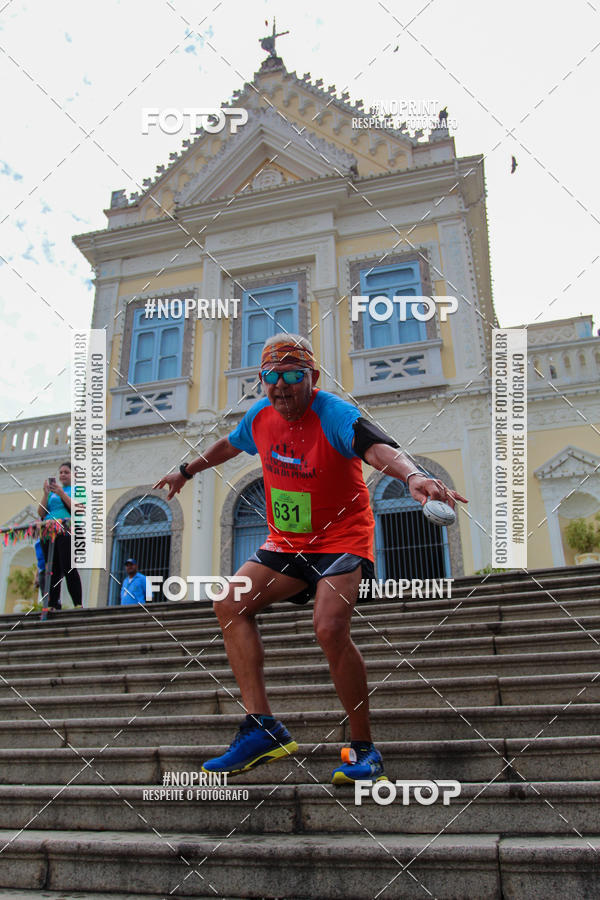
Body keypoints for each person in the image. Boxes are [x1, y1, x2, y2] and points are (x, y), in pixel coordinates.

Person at [155, 334, 467, 784]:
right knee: (229, 601)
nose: (282, 387)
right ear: (262, 380)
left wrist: (413, 474)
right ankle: (263, 728)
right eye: (271, 377)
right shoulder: (261, 415)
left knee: (329, 626)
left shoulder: (335, 414)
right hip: (287, 543)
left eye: (293, 375)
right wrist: (186, 470)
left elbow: (378, 447)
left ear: (312, 377)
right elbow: (231, 442)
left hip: (342, 538)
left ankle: (364, 749)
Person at [37, 461, 82, 610]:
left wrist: (62, 493)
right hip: (48, 531)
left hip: (65, 529)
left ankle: (77, 603)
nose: (62, 475)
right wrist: (46, 494)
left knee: (68, 567)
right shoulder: (51, 494)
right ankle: (53, 603)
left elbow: (78, 509)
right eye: (61, 472)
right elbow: (41, 513)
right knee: (52, 569)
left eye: (66, 472)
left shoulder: (76, 490)